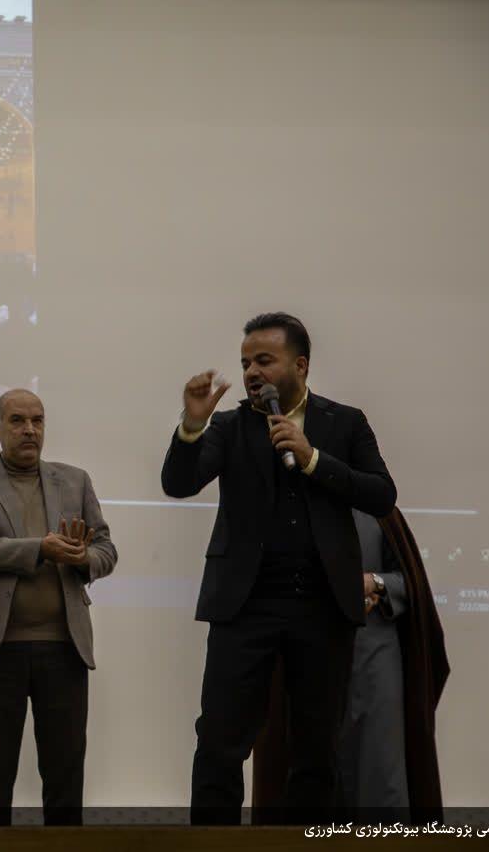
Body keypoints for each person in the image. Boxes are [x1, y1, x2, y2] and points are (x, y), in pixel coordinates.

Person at [161, 312, 397, 825]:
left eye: (264, 360)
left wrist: (313, 460)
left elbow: (382, 494)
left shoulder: (344, 422)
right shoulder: (228, 426)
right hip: (244, 605)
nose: (251, 372)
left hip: (323, 606)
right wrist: (192, 426)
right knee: (220, 741)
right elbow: (178, 484)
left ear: (301, 365)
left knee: (317, 749)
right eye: (246, 363)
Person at [0, 389, 118, 826]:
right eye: (18, 421)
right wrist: (39, 549)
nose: (30, 430)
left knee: (65, 776)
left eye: (37, 421)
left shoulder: (75, 481)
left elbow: (106, 551)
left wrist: (82, 558)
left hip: (64, 648)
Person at [253, 506, 450, 825]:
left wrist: (374, 583)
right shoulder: (291, 507)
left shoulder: (379, 510)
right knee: (310, 777)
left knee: (380, 772)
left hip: (375, 660)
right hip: (308, 662)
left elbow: (411, 584)